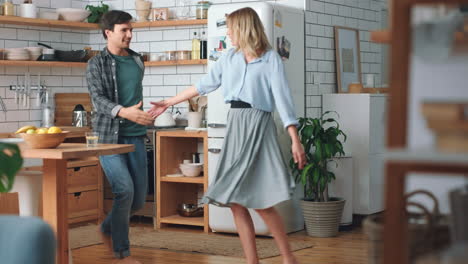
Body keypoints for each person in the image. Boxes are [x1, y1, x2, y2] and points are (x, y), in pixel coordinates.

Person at [148, 7, 306, 264]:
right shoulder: (229, 59)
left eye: (231, 29)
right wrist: (167, 102)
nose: (229, 34)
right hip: (236, 124)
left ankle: (289, 258)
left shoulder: (270, 59)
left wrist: (295, 140)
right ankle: (251, 261)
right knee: (234, 201)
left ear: (244, 29)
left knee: (261, 202)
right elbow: (202, 86)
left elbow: (283, 100)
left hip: (258, 125)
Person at [86, 10, 154, 264]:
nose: (130, 34)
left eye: (131, 29)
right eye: (124, 30)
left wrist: (146, 114)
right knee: (123, 191)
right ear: (108, 32)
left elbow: (134, 98)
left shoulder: (137, 60)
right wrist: (125, 112)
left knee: (137, 201)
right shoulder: (96, 64)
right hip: (108, 138)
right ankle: (122, 254)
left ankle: (106, 228)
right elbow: (98, 100)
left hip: (136, 137)